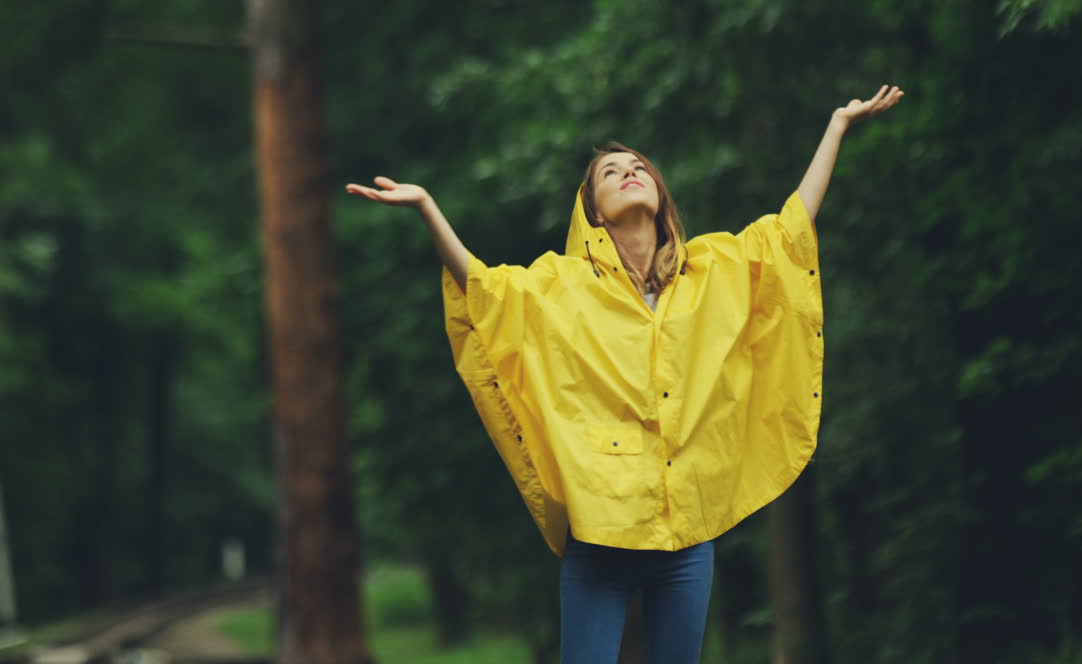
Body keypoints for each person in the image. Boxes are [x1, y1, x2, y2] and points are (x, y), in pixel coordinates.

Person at [346, 85, 904, 663]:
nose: (630, 172)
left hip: (687, 540)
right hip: (600, 539)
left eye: (639, 167)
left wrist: (836, 126)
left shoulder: (711, 272)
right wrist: (427, 209)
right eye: (611, 172)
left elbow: (790, 230)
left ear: (660, 194)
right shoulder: (562, 285)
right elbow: (485, 290)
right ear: (592, 209)